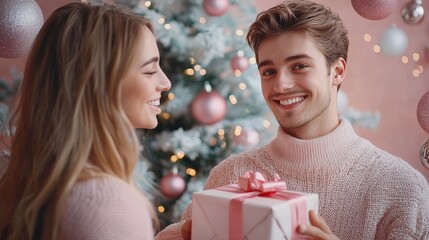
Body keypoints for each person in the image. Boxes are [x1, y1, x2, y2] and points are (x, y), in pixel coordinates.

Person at [155, 0, 429, 239]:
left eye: (299, 66)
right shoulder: (231, 176)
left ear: (337, 71)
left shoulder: (401, 188)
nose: (281, 85)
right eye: (269, 71)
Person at [0, 2, 171, 240]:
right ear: (98, 86)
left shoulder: (24, 180)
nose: (165, 83)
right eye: (150, 71)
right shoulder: (109, 204)